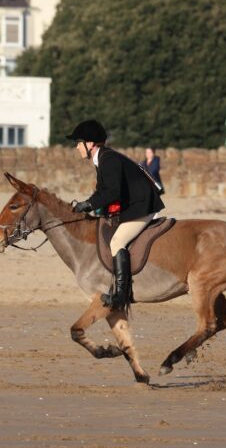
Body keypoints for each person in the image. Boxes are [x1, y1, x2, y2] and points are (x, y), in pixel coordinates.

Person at [68, 120, 165, 311]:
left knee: (117, 242)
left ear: (90, 144)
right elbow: (104, 191)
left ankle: (121, 294)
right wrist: (91, 205)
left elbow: (112, 192)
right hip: (133, 205)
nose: (77, 146)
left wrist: (88, 204)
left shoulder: (108, 159)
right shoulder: (102, 158)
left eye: (79, 142)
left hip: (142, 206)